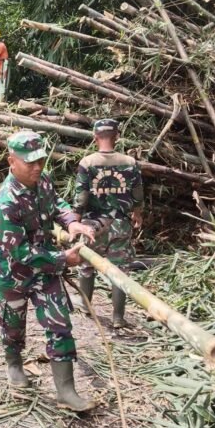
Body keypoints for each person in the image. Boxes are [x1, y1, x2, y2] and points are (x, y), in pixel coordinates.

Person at [0, 131, 97, 412]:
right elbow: (22, 254)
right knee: (12, 324)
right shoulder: (5, 204)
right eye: (30, 163)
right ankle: (14, 364)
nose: (37, 167)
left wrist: (72, 222)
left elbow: (58, 203)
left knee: (59, 322)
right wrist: (64, 259)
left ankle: (66, 391)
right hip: (13, 272)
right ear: (11, 161)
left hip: (46, 267)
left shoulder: (42, 180)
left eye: (41, 160)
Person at [73, 119, 143, 328]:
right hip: (121, 224)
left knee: (86, 264)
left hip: (93, 225)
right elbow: (138, 192)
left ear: (95, 137)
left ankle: (86, 306)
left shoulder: (87, 163)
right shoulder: (130, 163)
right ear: (117, 136)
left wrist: (75, 219)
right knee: (119, 270)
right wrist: (138, 213)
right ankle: (118, 317)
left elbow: (81, 196)